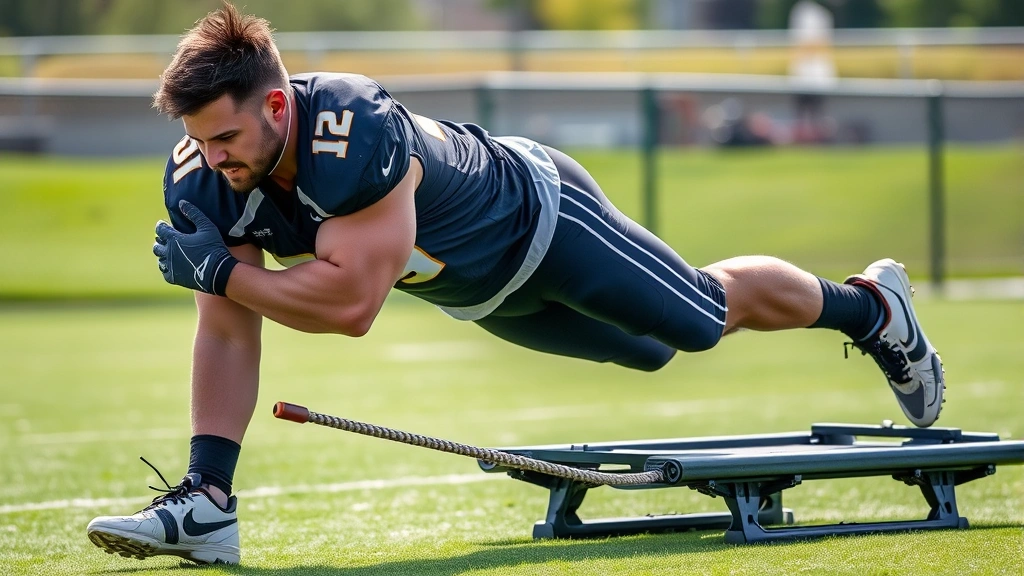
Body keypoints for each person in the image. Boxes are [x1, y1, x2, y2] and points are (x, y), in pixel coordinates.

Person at [86, 3, 944, 566]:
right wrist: (211, 469)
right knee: (645, 356)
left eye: (228, 134)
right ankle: (207, 505)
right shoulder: (207, 173)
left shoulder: (352, 135)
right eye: (202, 139)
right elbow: (229, 326)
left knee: (697, 317)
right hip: (486, 295)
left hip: (548, 223)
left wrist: (227, 271)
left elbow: (349, 308)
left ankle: (871, 308)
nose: (215, 156)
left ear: (278, 108)